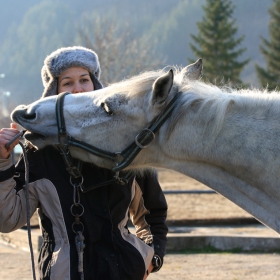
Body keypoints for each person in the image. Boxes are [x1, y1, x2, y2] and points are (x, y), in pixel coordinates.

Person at [0, 46, 168, 280]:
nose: (77, 88)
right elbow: (7, 219)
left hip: (123, 272)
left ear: (95, 86)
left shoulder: (124, 142)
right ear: (54, 91)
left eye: (84, 80)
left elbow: (153, 212)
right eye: (67, 82)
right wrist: (2, 161)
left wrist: (151, 256)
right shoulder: (39, 152)